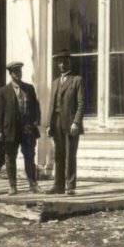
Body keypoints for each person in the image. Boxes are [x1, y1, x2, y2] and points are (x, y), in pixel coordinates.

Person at [0, 61, 41, 195]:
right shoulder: (3, 92)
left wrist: (36, 121)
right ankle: (13, 186)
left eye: (20, 71)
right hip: (11, 130)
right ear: (10, 74)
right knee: (10, 157)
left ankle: (33, 185)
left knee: (29, 157)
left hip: (27, 129)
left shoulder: (29, 88)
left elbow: (36, 107)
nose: (18, 74)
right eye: (15, 72)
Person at [46, 49, 85, 196]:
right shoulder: (55, 82)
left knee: (70, 154)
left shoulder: (77, 80)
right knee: (59, 155)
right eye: (60, 62)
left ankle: (70, 186)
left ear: (70, 62)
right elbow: (51, 105)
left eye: (65, 62)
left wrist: (76, 122)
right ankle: (58, 185)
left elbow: (81, 104)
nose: (62, 65)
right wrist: (49, 124)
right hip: (56, 123)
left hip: (70, 124)